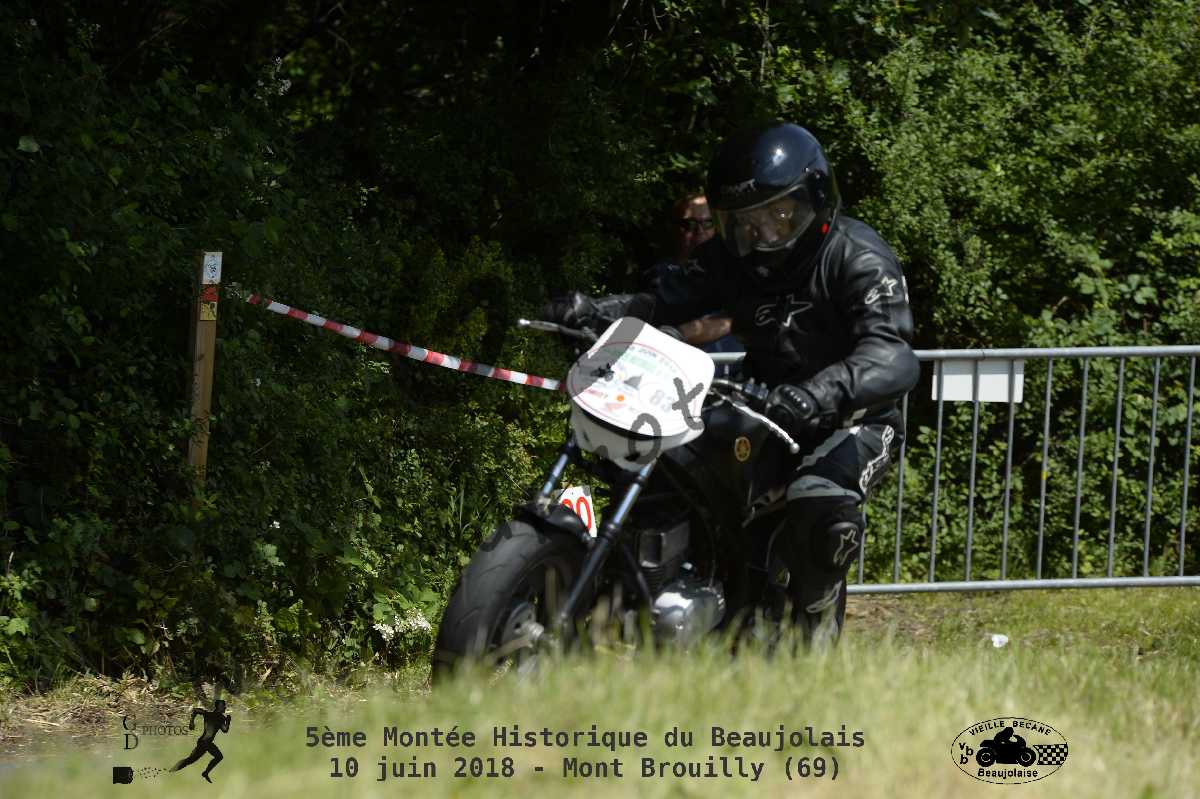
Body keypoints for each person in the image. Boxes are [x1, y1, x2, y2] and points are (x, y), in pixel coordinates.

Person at [543, 122, 920, 646]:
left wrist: (820, 393)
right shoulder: (733, 259)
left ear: (814, 200)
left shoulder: (858, 255)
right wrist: (598, 312)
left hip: (853, 416)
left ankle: (815, 625)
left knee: (820, 503)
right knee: (682, 469)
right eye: (742, 220)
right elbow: (664, 298)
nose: (759, 233)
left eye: (776, 215)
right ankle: (681, 594)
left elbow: (892, 354)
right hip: (765, 403)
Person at [644, 193, 744, 376]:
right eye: (689, 224)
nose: (699, 231)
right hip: (674, 373)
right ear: (674, 228)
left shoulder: (734, 270)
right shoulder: (663, 276)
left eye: (708, 223)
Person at [170, 698, 231, 782]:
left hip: (205, 742)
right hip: (205, 743)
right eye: (223, 706)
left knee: (192, 759)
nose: (225, 707)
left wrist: (192, 721)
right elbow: (225, 730)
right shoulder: (219, 718)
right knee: (190, 760)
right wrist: (228, 721)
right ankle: (171, 771)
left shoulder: (209, 714)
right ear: (219, 707)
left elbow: (195, 710)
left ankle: (205, 773)